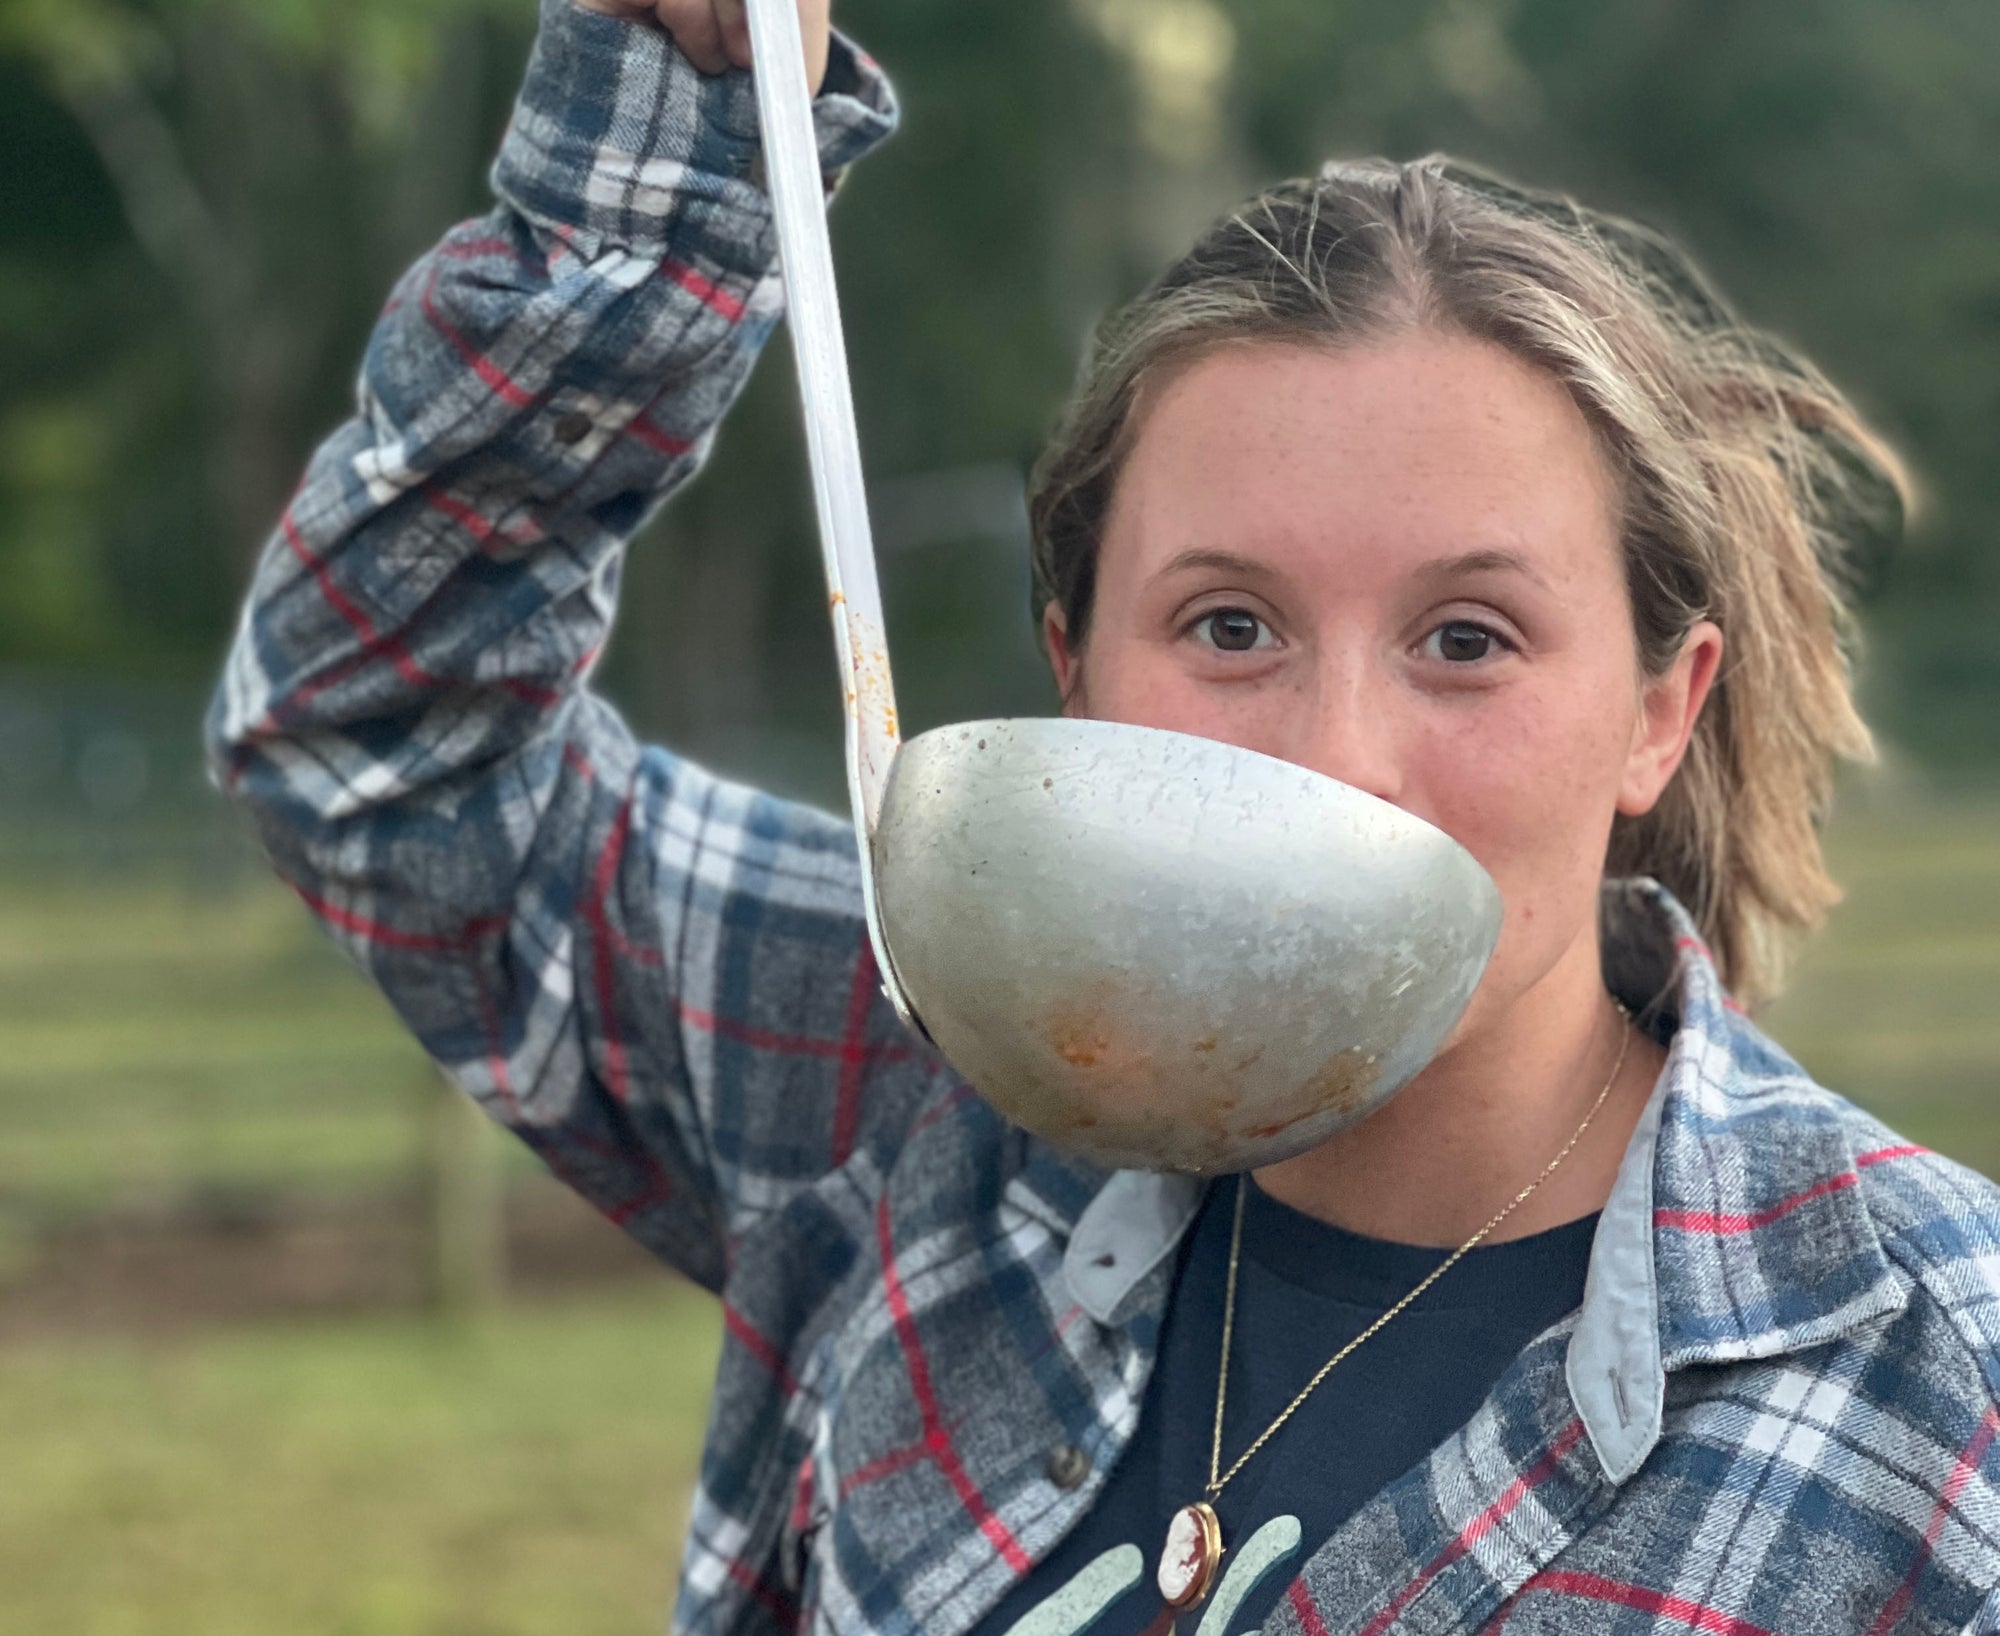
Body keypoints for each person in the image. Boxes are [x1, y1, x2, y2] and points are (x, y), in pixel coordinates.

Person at [204, 0, 2000, 1630]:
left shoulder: (1934, 1385)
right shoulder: (922, 1078)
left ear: (1658, 716)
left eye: (1470, 639)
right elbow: (378, 735)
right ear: (1076, 664)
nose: (1335, 752)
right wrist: (667, 143)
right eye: (1228, 625)